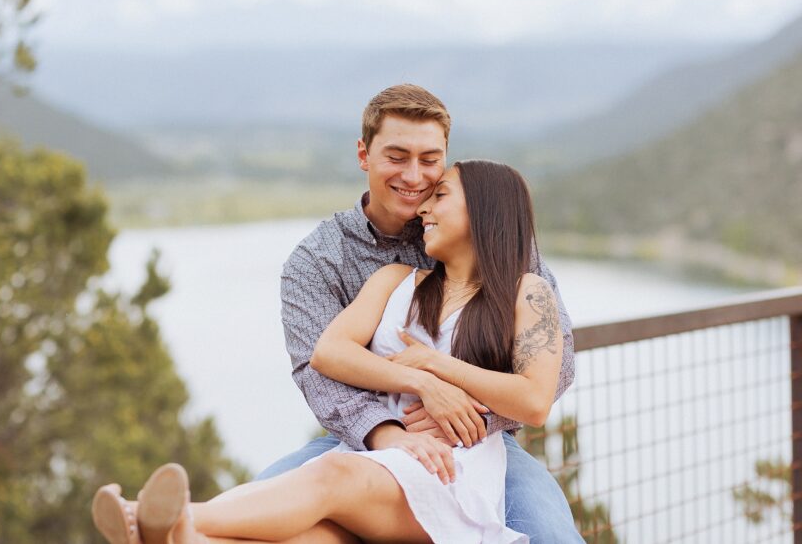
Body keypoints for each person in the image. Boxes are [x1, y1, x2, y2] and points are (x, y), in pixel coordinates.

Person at [92, 159, 562, 543]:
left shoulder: (527, 292)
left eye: (440, 196)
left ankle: (155, 516)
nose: (424, 208)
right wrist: (420, 381)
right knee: (308, 536)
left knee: (332, 474)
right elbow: (330, 353)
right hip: (378, 456)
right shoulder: (395, 280)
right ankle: (181, 536)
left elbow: (535, 400)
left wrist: (436, 363)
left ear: (484, 210)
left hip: (449, 472)